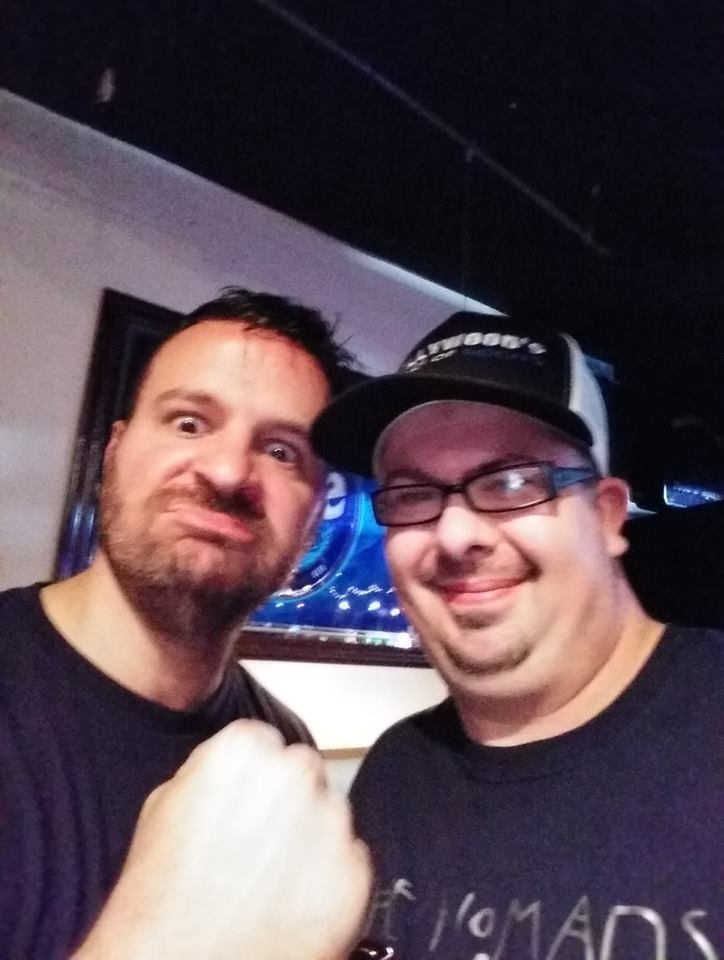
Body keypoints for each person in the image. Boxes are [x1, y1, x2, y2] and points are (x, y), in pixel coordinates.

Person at [312, 311, 724, 959]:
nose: (455, 535)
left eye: (511, 482)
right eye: (412, 494)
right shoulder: (396, 774)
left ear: (607, 516)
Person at [0, 288, 371, 959]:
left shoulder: (282, 750)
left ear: (315, 516)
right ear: (115, 451)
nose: (227, 472)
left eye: (281, 451)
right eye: (190, 423)